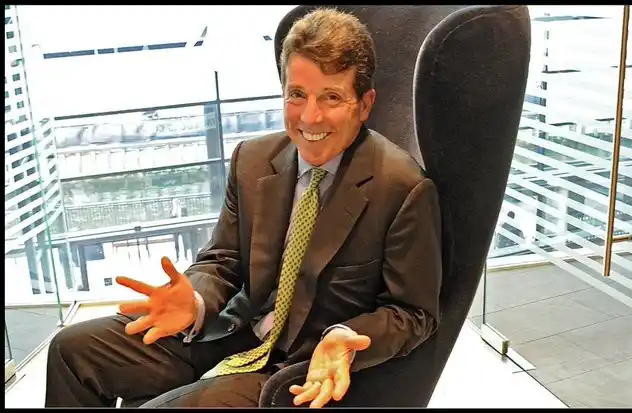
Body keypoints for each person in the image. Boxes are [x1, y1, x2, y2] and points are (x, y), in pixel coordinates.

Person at [44, 7, 442, 408]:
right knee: (72, 350)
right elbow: (224, 259)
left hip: (301, 364)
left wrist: (345, 336)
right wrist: (195, 300)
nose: (310, 117)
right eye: (297, 95)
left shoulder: (402, 188)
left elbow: (413, 313)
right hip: (235, 331)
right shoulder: (252, 160)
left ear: (365, 104)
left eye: (332, 97)